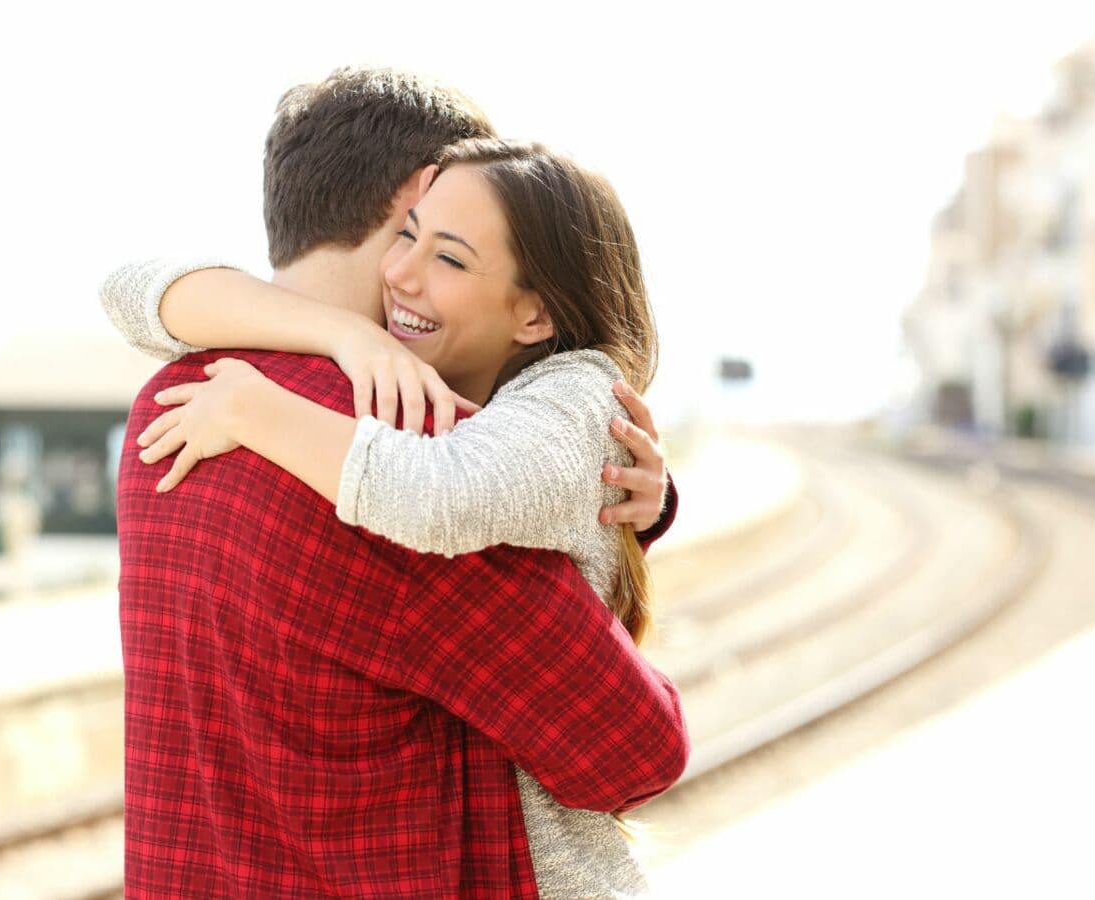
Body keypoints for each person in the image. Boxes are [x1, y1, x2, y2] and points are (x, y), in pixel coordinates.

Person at [109, 68, 687, 899]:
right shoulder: (399, 447)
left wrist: (649, 501)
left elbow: (133, 290)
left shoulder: (169, 400)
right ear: (424, 189)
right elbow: (629, 751)